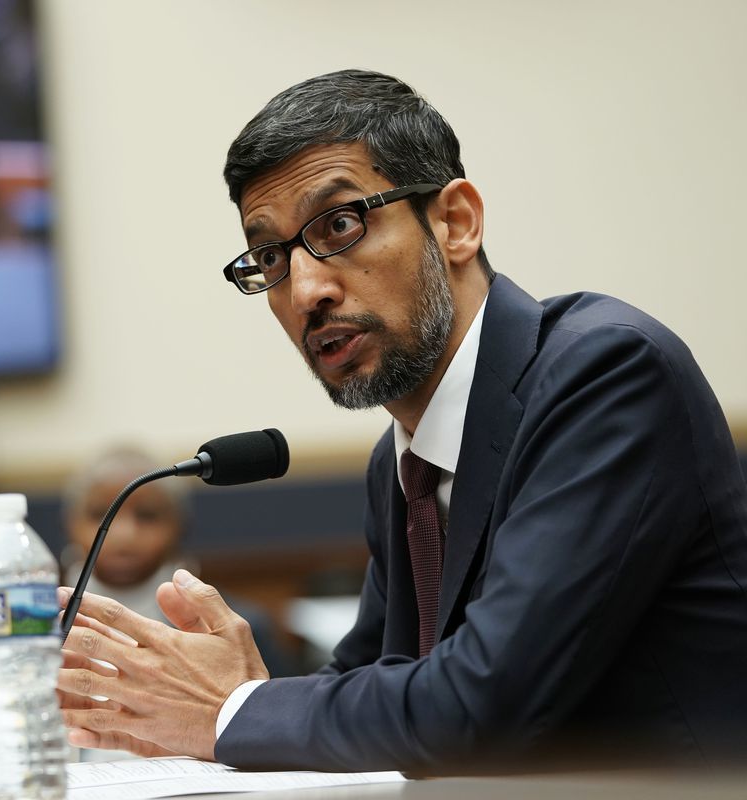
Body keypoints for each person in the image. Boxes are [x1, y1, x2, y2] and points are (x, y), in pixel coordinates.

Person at [55, 69, 747, 773]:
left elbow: (481, 703)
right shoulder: (403, 463)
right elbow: (375, 686)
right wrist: (224, 701)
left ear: (456, 223)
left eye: (341, 225)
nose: (306, 291)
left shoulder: (606, 376)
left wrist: (234, 710)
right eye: (270, 256)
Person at [61, 445, 297, 680]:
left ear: (180, 525)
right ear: (70, 523)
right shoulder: (31, 621)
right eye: (100, 513)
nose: (125, 535)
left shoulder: (238, 627)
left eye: (147, 515)